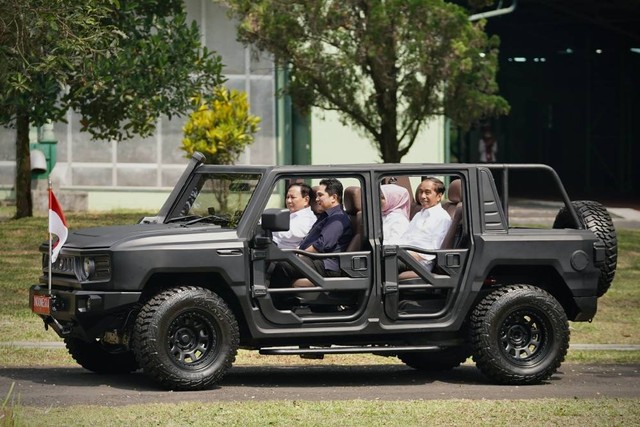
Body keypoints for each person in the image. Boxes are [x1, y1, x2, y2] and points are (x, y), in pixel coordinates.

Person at [270, 178, 353, 286]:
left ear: (333, 198)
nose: (317, 199)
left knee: (283, 264)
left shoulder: (338, 219)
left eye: (320, 195)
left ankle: (276, 300)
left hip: (326, 264)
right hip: (316, 260)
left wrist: (299, 255)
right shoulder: (325, 215)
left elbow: (321, 245)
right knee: (276, 260)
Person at [400, 177, 452, 271]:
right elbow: (405, 238)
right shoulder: (419, 214)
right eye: (420, 192)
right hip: (404, 255)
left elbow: (431, 252)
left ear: (439, 196)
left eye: (427, 192)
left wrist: (404, 255)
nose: (422, 196)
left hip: (419, 264)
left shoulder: (442, 218)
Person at [272, 183, 317, 249]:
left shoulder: (308, 219)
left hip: (288, 257)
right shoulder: (290, 214)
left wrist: (267, 229)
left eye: (293, 197)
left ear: (306, 200)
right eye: (287, 197)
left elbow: (288, 234)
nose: (289, 201)